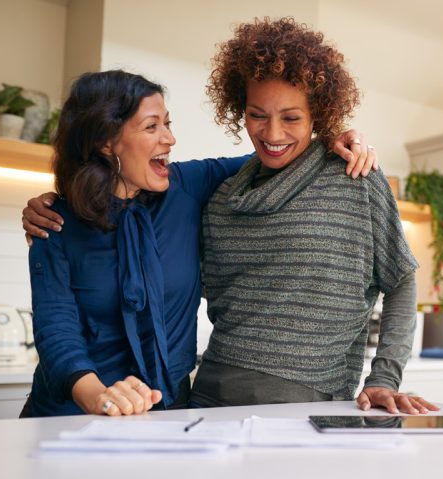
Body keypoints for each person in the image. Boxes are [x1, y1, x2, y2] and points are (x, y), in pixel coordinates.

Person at [22, 69, 377, 417]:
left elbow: (277, 154)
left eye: (168, 123)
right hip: (76, 412)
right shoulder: (55, 223)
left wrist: (331, 141)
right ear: (105, 141)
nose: (169, 139)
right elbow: (56, 329)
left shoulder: (186, 188)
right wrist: (99, 396)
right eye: (151, 126)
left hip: (167, 412)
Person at [190, 17, 438, 415]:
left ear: (319, 114)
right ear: (239, 108)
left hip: (308, 401)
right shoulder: (222, 198)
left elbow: (401, 281)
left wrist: (384, 378)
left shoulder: (354, 178)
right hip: (207, 395)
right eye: (257, 115)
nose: (272, 133)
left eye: (291, 118)